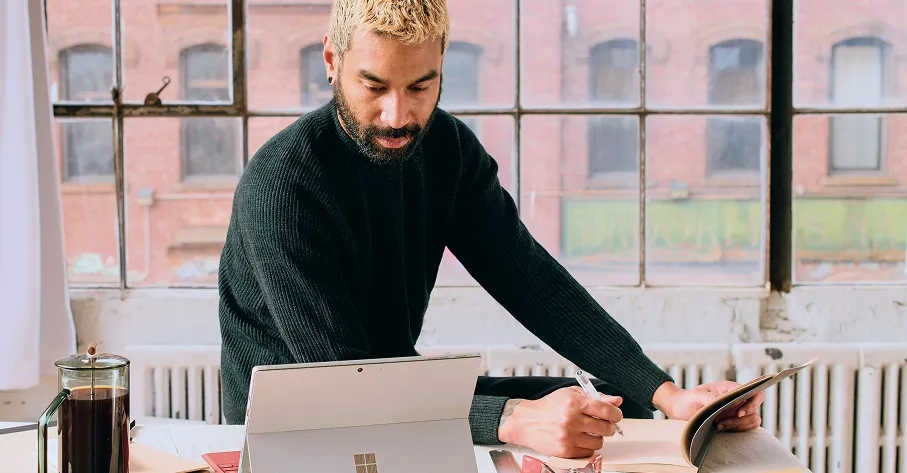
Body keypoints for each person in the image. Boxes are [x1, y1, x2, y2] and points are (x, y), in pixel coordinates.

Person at [217, 0, 764, 459]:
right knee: (541, 421)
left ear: (441, 69)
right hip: (300, 428)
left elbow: (532, 281)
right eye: (374, 85)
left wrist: (671, 395)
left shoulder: (448, 150)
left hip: (395, 390)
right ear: (333, 61)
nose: (397, 115)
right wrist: (509, 420)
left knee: (616, 403)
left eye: (420, 87)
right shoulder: (283, 188)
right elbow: (347, 384)